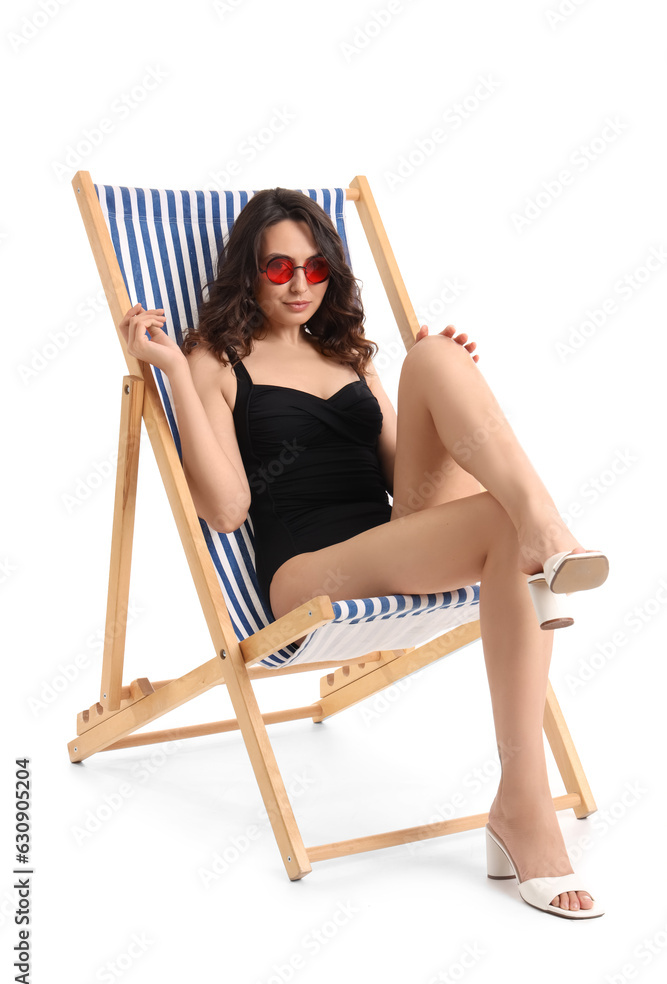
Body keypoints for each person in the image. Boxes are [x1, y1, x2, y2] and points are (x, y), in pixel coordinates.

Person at [119, 186, 609, 919]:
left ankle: (537, 535)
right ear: (247, 271)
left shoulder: (344, 352)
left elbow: (400, 476)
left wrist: (447, 392)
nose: (297, 285)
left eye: (315, 271)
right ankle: (526, 804)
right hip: (311, 569)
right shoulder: (214, 358)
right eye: (278, 268)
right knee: (513, 531)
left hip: (392, 535)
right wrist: (171, 375)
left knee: (437, 355)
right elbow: (225, 510)